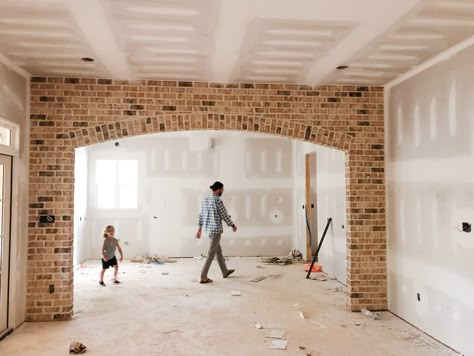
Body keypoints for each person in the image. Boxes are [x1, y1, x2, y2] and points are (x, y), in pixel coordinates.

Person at [196, 181, 237, 283]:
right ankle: (203, 276)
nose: (223, 191)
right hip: (216, 231)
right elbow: (224, 215)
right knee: (211, 253)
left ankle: (225, 271)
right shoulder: (218, 201)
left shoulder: (205, 200)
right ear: (218, 190)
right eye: (222, 189)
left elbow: (201, 215)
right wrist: (232, 225)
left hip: (208, 230)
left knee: (218, 251)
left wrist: (199, 229)